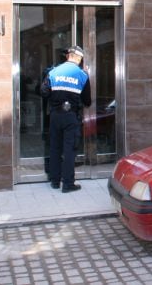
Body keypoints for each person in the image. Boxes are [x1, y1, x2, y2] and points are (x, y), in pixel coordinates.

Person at [40, 45, 91, 193]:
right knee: (70, 149)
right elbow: (87, 101)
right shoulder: (82, 75)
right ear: (79, 58)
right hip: (71, 117)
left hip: (55, 116)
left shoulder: (53, 72)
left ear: (68, 56)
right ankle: (68, 184)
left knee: (55, 148)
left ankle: (55, 181)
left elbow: (43, 92)